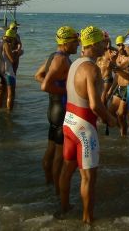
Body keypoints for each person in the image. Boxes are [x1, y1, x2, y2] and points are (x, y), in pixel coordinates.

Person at [58, 26, 116, 224]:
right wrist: (110, 118)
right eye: (102, 43)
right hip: (84, 127)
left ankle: (63, 209)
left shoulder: (75, 63)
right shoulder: (91, 68)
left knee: (67, 169)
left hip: (68, 122)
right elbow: (94, 104)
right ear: (92, 44)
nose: (105, 46)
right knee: (88, 178)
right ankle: (88, 220)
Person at [34, 26, 79, 195]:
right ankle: (57, 193)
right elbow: (45, 85)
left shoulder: (54, 56)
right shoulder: (61, 60)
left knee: (51, 150)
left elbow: (38, 75)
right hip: (60, 111)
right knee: (59, 157)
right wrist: (68, 91)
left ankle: (48, 184)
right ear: (66, 43)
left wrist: (58, 87)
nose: (78, 45)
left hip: (53, 109)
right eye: (75, 41)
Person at [107, 35, 129, 136]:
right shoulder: (118, 57)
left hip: (128, 89)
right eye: (118, 45)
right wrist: (111, 89)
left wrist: (113, 62)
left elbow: (119, 68)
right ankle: (123, 129)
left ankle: (124, 134)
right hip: (120, 88)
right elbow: (117, 75)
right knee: (110, 112)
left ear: (126, 45)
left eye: (122, 45)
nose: (120, 47)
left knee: (121, 114)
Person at [1, 29, 17, 111]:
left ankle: (2, 107)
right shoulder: (6, 45)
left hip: (2, 70)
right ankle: (9, 112)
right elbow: (12, 60)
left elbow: (3, 55)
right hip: (8, 72)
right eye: (13, 39)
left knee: (4, 92)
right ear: (10, 38)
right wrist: (17, 53)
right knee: (11, 94)